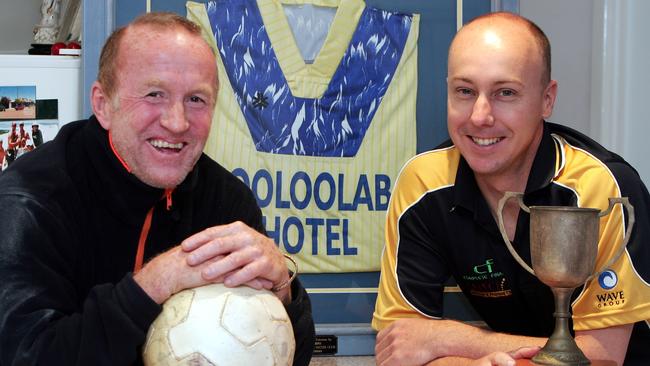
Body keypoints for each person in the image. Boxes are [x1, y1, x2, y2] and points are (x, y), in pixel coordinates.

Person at [0, 12, 314, 366]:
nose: (176, 122)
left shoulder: (227, 200)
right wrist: (152, 285)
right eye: (154, 94)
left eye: (196, 99)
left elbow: (281, 354)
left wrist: (284, 292)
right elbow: (23, 354)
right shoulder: (29, 202)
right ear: (103, 105)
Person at [373, 12, 649, 366]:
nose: (480, 115)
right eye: (464, 91)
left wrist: (453, 338)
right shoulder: (423, 183)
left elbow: (602, 358)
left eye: (505, 92)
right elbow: (401, 347)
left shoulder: (602, 188)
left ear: (547, 100)